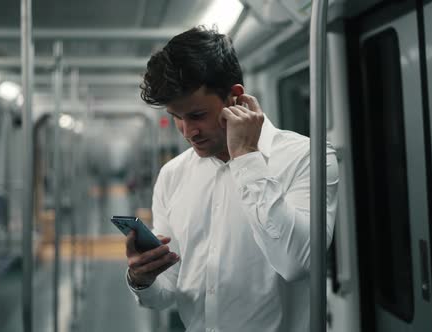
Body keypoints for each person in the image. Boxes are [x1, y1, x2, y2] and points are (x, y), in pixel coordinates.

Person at [124, 26, 339, 332]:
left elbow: (297, 262)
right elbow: (169, 289)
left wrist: (247, 158)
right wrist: (142, 280)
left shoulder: (307, 157)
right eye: (177, 117)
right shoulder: (172, 175)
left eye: (197, 115)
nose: (188, 132)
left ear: (235, 97)